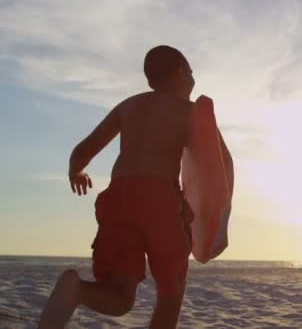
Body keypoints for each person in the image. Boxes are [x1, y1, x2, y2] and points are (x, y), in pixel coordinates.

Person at [38, 45, 233, 328]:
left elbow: (82, 151)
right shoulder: (189, 112)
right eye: (191, 73)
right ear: (180, 74)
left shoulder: (128, 106)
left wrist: (76, 172)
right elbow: (220, 167)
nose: (193, 80)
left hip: (117, 197)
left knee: (120, 296)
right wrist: (218, 224)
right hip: (160, 200)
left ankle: (76, 290)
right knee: (170, 293)